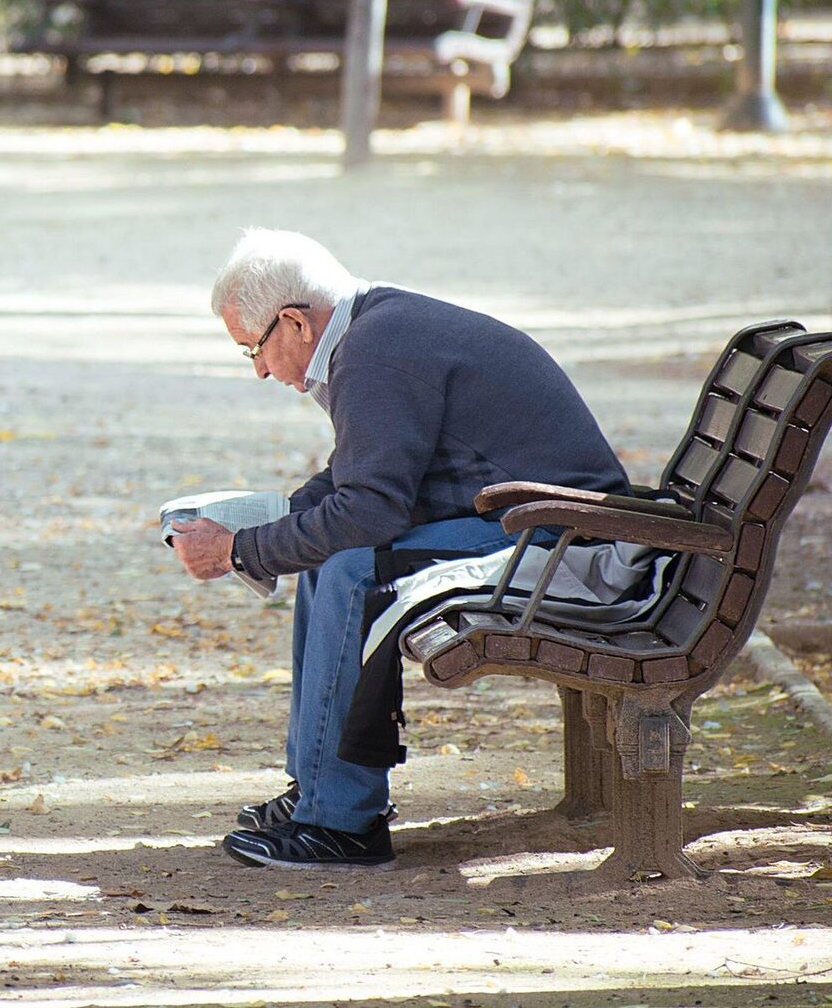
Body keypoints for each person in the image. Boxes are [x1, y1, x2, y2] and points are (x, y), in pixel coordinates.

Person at [170, 228, 629, 871]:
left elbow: (368, 510)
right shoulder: (376, 332)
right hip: (538, 524)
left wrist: (242, 551)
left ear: (296, 323)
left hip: (565, 541)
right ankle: (318, 789)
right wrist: (275, 523)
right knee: (331, 557)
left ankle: (343, 823)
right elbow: (362, 476)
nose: (261, 372)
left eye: (255, 350)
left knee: (354, 568)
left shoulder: (376, 351)